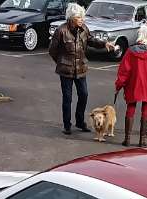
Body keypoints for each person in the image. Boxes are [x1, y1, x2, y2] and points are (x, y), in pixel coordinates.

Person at [48, 4, 116, 135]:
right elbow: (52, 50)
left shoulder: (84, 28)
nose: (82, 19)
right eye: (79, 17)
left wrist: (105, 44)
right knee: (67, 98)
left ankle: (80, 122)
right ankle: (67, 125)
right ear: (71, 17)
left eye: (82, 17)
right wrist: (61, 62)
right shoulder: (61, 30)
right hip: (65, 70)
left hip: (81, 68)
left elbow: (91, 40)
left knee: (84, 94)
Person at [115, 25, 147, 147]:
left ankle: (127, 139)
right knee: (146, 109)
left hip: (134, 84)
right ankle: (142, 140)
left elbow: (124, 71)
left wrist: (119, 85)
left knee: (131, 107)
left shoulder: (130, 51)